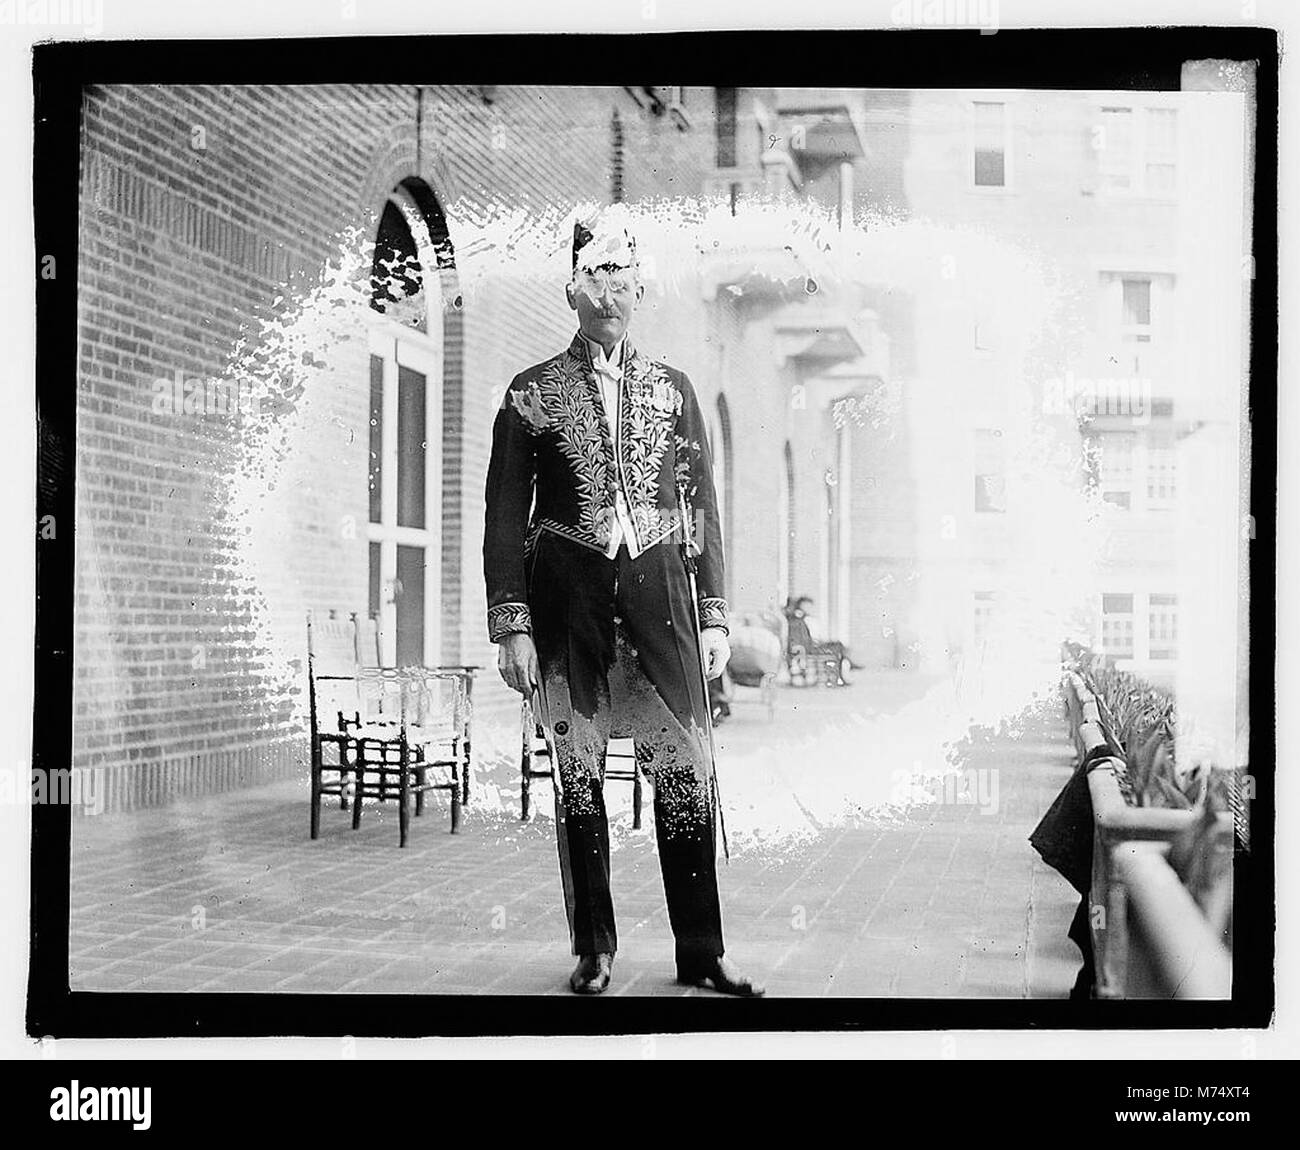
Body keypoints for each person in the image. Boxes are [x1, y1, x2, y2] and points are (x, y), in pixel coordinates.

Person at [483, 209, 764, 997]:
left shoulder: (673, 391)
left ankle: (702, 951)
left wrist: (713, 612)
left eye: (623, 273)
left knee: (686, 774)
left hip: (662, 607)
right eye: (596, 273)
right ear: (572, 289)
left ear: (641, 286)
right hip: (568, 610)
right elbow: (504, 516)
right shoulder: (530, 394)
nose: (611, 290)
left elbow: (700, 506)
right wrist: (512, 626)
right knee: (581, 781)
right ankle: (595, 948)